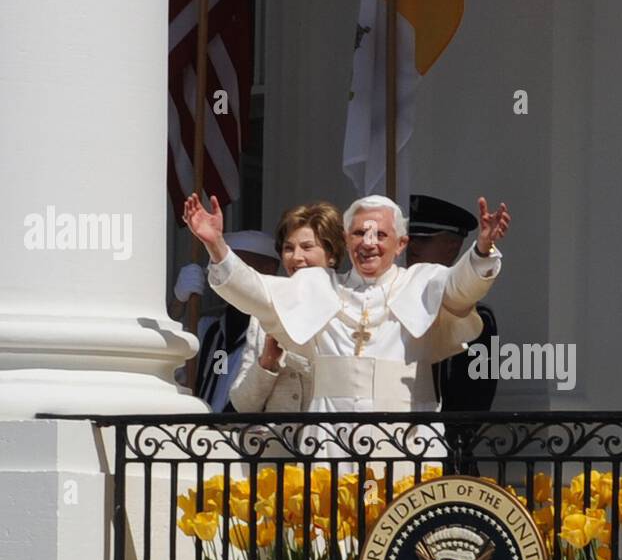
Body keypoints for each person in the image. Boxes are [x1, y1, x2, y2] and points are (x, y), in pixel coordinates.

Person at [182, 190, 509, 471]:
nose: (368, 244)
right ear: (347, 239)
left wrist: (480, 251)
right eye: (358, 234)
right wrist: (217, 247)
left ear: (400, 244)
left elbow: (461, 288)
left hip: (407, 445)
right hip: (330, 446)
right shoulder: (319, 286)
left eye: (380, 235)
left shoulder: (423, 281)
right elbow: (256, 291)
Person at [406, 195, 499, 474]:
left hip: (445, 461)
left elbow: (472, 402)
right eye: (409, 240)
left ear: (452, 247)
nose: (410, 249)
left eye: (423, 240)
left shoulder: (476, 319)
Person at [228, 203, 345, 414]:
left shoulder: (349, 306)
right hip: (276, 443)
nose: (296, 257)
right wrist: (266, 362)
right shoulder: (268, 308)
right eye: (288, 248)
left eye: (307, 247)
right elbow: (242, 404)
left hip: (328, 441)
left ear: (332, 254)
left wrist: (293, 350)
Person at [172, 231, 278, 411]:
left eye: (233, 270)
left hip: (245, 436)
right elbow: (171, 364)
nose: (224, 278)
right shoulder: (211, 331)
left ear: (267, 270)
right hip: (203, 435)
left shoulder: (274, 331)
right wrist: (178, 302)